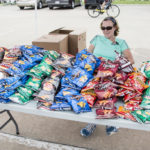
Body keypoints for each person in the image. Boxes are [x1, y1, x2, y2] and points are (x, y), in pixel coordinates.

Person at [80, 16, 134, 137]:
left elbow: (131, 60)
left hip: (112, 73)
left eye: (108, 27)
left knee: (106, 91)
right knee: (89, 92)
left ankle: (107, 120)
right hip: (95, 71)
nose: (105, 30)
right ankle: (92, 122)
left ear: (115, 28)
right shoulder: (97, 39)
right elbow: (88, 56)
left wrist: (115, 63)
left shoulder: (121, 42)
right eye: (103, 28)